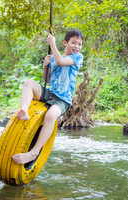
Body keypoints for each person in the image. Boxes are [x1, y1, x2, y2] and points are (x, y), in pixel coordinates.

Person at [12, 28, 84, 164]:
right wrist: (46, 66)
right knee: (29, 83)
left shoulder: (77, 57)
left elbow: (61, 61)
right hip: (51, 93)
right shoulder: (55, 59)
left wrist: (52, 43)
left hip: (63, 100)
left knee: (50, 116)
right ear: (65, 43)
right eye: (74, 43)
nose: (77, 46)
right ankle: (24, 111)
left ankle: (34, 152)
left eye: (79, 44)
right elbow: (47, 79)